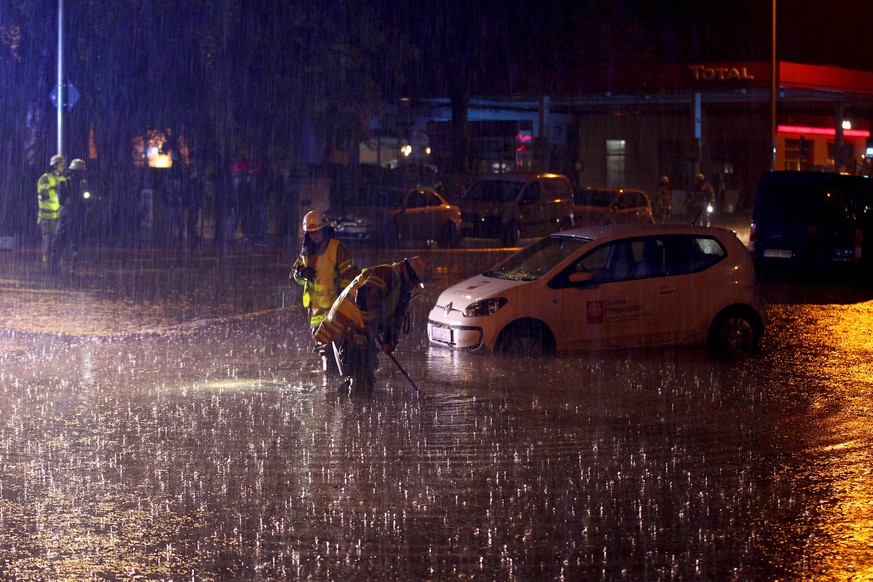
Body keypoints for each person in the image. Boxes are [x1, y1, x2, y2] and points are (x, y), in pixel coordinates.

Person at [314, 255, 430, 396]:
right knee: (361, 371)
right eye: (416, 282)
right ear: (409, 274)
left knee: (364, 370)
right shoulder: (387, 274)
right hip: (347, 327)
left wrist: (389, 341)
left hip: (360, 329)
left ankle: (350, 404)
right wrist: (371, 324)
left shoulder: (401, 288)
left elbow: (395, 317)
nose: (415, 286)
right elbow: (364, 296)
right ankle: (353, 407)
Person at [291, 210, 360, 374]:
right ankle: (332, 381)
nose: (315, 236)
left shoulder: (336, 248)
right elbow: (293, 275)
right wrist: (300, 273)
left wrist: (342, 298)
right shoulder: (305, 252)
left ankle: (343, 381)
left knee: (340, 349)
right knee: (324, 350)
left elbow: (350, 275)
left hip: (335, 310)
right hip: (316, 312)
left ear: (325, 229)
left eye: (318, 232)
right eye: (311, 233)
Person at [51, 158, 88, 275]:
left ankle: (71, 269)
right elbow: (62, 200)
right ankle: (54, 268)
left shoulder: (83, 184)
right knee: (59, 242)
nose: (81, 174)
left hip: (75, 216)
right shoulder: (64, 182)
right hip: (67, 215)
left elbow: (85, 200)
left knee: (74, 244)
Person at [36, 154, 67, 270]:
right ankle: (45, 266)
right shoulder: (45, 178)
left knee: (56, 242)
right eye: (61, 164)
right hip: (46, 216)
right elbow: (44, 195)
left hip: (57, 216)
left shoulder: (61, 179)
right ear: (54, 165)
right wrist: (57, 188)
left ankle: (55, 265)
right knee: (48, 241)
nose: (62, 167)